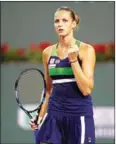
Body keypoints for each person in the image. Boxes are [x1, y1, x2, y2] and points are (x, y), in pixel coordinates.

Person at [30, 6, 96, 144]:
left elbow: (87, 89)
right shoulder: (47, 52)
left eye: (65, 20)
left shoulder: (86, 50)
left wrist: (73, 60)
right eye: (57, 21)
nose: (60, 24)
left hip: (79, 117)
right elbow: (48, 90)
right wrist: (40, 116)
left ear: (73, 24)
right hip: (54, 116)